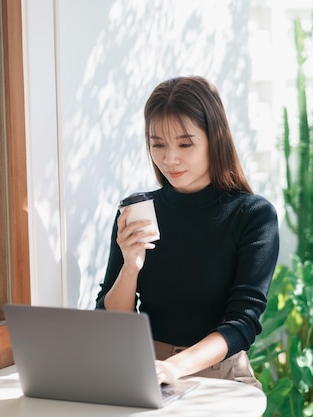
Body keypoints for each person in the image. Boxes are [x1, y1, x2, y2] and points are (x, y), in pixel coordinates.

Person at [95, 75, 279, 389]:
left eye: (185, 143)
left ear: (214, 138)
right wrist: (130, 267)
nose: (169, 158)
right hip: (145, 369)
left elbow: (242, 324)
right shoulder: (139, 213)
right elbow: (111, 318)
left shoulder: (253, 216)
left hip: (220, 374)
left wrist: (172, 368)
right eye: (158, 145)